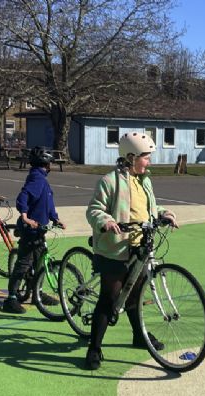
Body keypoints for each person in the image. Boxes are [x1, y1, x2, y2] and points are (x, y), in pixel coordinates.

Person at [85, 132, 178, 370]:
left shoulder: (145, 181)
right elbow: (94, 209)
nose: (149, 161)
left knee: (136, 295)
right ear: (130, 157)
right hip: (115, 249)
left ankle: (139, 336)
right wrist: (105, 221)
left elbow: (150, 209)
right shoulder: (110, 181)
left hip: (140, 247)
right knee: (109, 298)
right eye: (146, 157)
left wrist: (163, 214)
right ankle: (94, 349)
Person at [2, 146, 66, 314]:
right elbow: (23, 197)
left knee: (39, 261)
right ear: (46, 164)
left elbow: (48, 201)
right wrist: (25, 217)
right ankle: (11, 298)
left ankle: (37, 291)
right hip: (30, 230)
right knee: (24, 264)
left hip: (40, 229)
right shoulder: (37, 179)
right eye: (50, 163)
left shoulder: (41, 179)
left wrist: (55, 218)